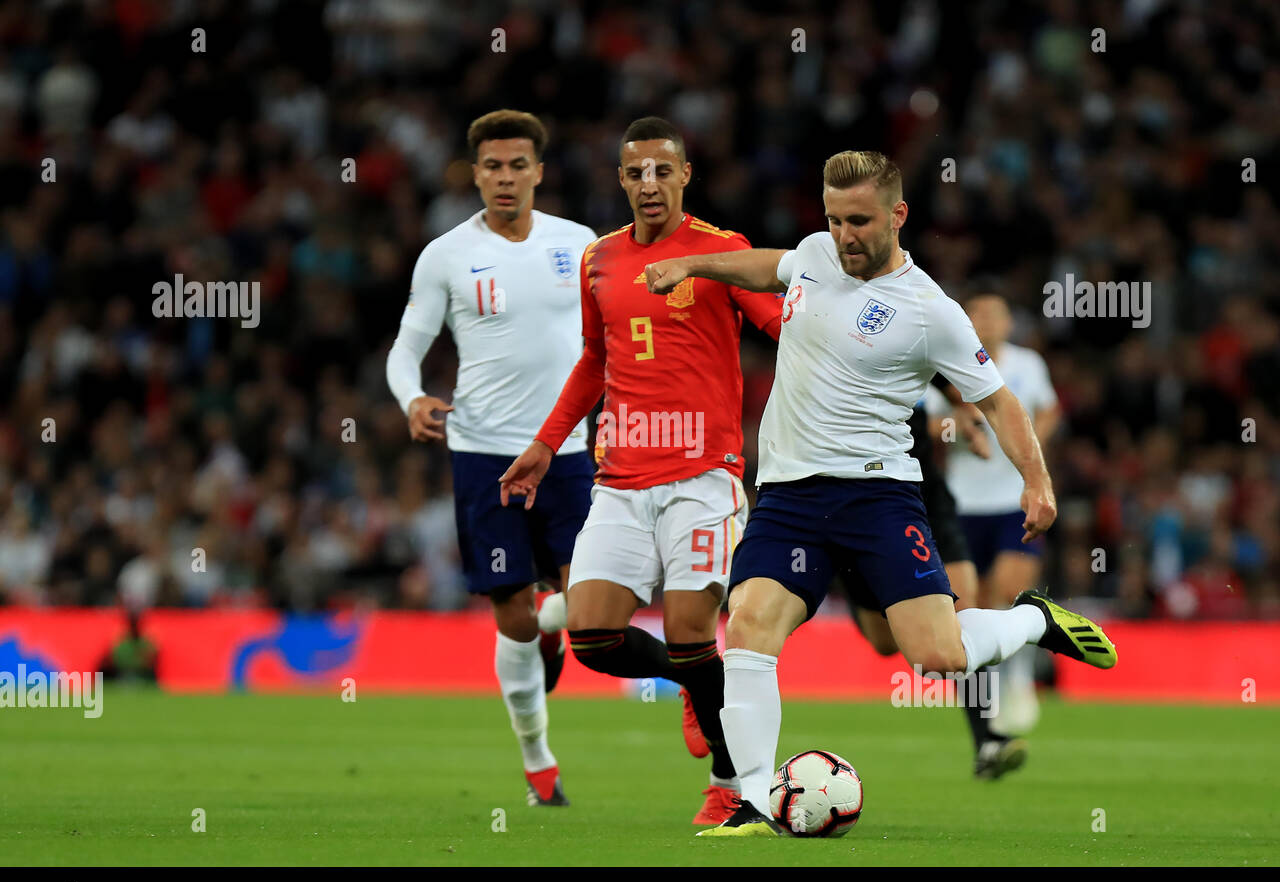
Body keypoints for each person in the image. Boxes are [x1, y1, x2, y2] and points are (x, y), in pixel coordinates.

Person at [643, 149, 1116, 836]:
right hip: (788, 496)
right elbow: (768, 265)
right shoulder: (813, 254)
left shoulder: (931, 311)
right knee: (747, 626)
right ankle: (749, 798)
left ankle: (1033, 621)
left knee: (938, 656)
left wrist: (1036, 481)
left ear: (898, 215)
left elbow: (998, 401)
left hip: (878, 497)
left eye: (859, 221)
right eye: (834, 220)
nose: (845, 236)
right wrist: (693, 264)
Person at [498, 117, 783, 825]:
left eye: (662, 171)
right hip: (620, 477)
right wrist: (544, 443)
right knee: (592, 636)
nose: (648, 184)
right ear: (621, 180)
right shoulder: (599, 258)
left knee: (692, 629)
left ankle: (728, 782)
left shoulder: (723, 252)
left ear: (686, 176)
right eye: (635, 173)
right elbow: (595, 361)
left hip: (702, 474)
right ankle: (689, 683)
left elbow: (783, 325)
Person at [386, 109, 596, 808]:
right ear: (475, 174)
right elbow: (406, 347)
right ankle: (538, 763)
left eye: (517, 165)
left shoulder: (582, 245)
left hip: (568, 450)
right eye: (492, 167)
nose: (504, 178)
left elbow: (614, 341)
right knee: (513, 620)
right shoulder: (445, 254)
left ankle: (554, 635)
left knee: (593, 607)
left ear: (539, 171)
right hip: (484, 453)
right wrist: (412, 398)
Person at [848, 389, 1028, 780]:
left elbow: (968, 386)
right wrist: (951, 425)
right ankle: (851, 579)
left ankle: (987, 739)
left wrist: (964, 416)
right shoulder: (850, 353)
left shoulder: (927, 336)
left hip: (930, 500)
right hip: (867, 503)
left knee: (963, 615)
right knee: (884, 643)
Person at [925, 291, 1062, 735]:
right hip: (963, 503)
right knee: (978, 606)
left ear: (1008, 321)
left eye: (995, 313)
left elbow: (1050, 409)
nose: (987, 320)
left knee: (1010, 587)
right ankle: (990, 710)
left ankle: (1021, 681)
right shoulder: (948, 365)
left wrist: (1027, 443)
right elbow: (931, 424)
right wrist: (961, 431)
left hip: (1012, 500)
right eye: (977, 313)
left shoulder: (1027, 364)